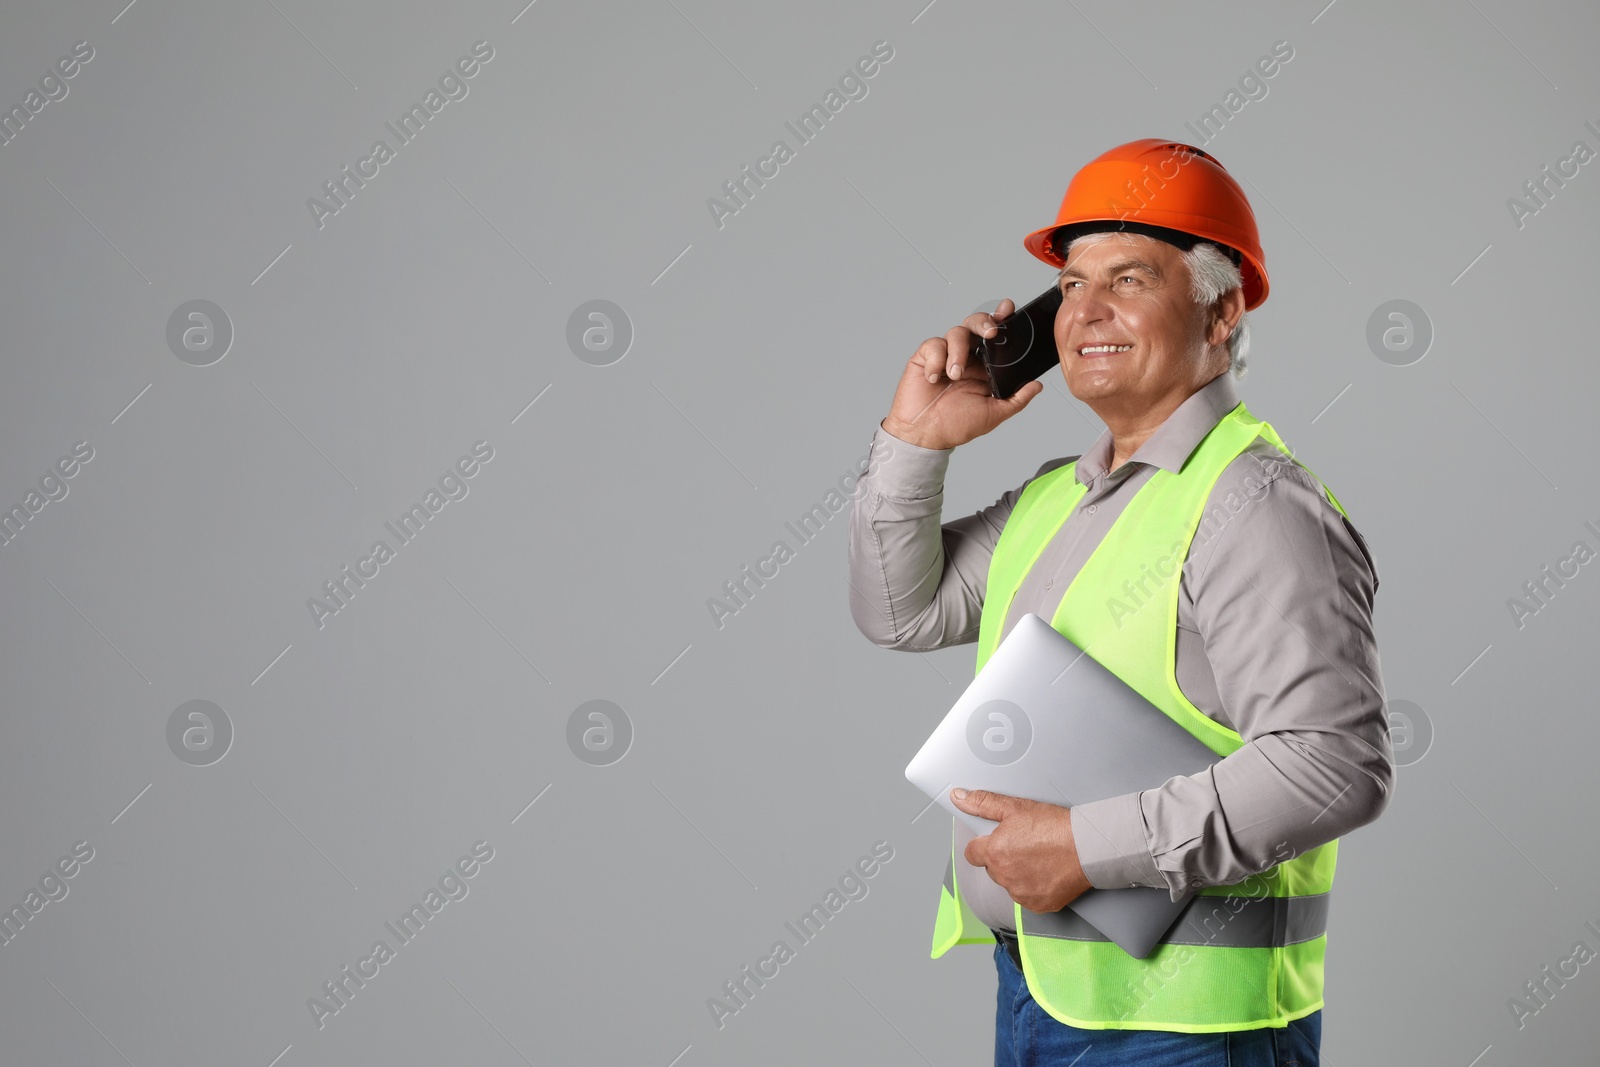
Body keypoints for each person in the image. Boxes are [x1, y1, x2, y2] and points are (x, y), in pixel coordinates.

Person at [846, 139, 1395, 1066]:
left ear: (1221, 313)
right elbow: (900, 610)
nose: (1085, 312)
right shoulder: (1061, 495)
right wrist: (916, 441)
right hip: (1040, 997)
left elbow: (1335, 763)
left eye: (1129, 278)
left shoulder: (1254, 505)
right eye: (1069, 284)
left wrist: (1087, 848)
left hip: (1185, 1034)